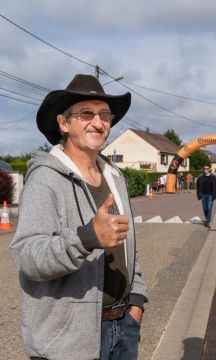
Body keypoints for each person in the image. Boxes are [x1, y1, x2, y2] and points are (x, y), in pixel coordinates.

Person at [10, 74, 149, 359]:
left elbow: (129, 246)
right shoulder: (45, 179)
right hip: (67, 342)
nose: (98, 123)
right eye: (86, 114)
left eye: (105, 115)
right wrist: (87, 237)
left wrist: (136, 302)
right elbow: (27, 256)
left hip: (123, 327)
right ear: (63, 123)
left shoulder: (114, 177)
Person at [196, 164, 216, 228]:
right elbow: (198, 186)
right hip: (203, 195)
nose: (206, 170)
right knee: (205, 209)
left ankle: (208, 222)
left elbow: (215, 186)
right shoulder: (200, 178)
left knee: (209, 208)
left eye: (207, 169)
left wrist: (214, 194)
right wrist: (199, 194)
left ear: (209, 170)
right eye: (204, 169)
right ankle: (207, 219)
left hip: (210, 195)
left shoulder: (213, 177)